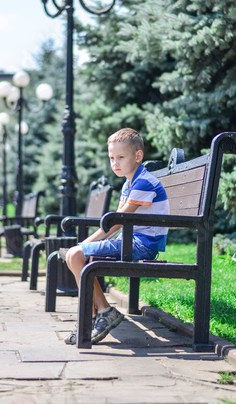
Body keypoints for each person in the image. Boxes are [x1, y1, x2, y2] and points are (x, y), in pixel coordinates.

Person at [64, 128, 170, 345]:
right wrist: (85, 245)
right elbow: (115, 223)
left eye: (121, 157)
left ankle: (99, 314)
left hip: (142, 246)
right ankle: (95, 316)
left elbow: (118, 221)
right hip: (131, 240)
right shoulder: (130, 182)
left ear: (138, 156)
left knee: (75, 256)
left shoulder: (143, 182)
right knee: (76, 255)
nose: (115, 163)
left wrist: (83, 246)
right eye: (112, 158)